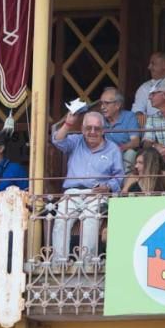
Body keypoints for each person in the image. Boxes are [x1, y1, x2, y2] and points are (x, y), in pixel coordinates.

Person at [50, 111, 124, 264]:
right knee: (61, 220)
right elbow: (57, 141)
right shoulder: (76, 141)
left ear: (103, 130)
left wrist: (107, 187)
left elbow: (119, 177)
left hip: (97, 194)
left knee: (91, 220)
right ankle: (59, 264)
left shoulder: (113, 149)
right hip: (72, 193)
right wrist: (68, 123)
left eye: (97, 128)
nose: (92, 132)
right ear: (83, 130)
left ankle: (86, 264)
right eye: (88, 128)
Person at [99, 88, 141, 167]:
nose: (102, 107)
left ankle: (125, 179)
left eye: (107, 103)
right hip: (106, 155)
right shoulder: (100, 120)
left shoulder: (129, 117)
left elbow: (135, 142)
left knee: (130, 153)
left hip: (124, 152)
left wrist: (117, 149)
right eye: (102, 103)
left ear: (117, 105)